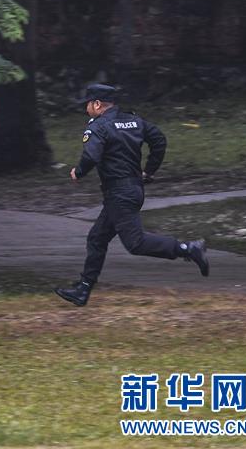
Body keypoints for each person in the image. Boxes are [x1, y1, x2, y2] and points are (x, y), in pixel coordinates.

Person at [55, 83, 209, 307]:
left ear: (97, 104)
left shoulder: (99, 127)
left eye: (88, 104)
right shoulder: (134, 121)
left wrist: (78, 172)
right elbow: (159, 140)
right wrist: (149, 171)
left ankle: (189, 249)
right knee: (97, 238)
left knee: (135, 243)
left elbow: (91, 155)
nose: (86, 108)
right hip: (132, 189)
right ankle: (83, 290)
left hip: (119, 193)